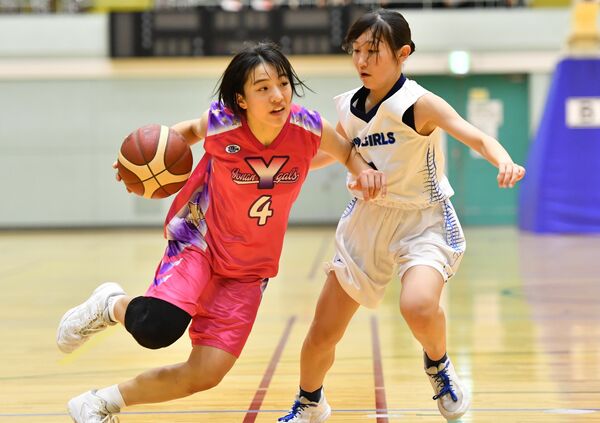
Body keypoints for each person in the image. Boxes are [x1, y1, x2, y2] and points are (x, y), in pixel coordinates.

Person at [56, 42, 386, 423]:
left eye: (283, 84)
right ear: (241, 100)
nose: (278, 96)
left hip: (249, 269)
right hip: (201, 241)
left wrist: (365, 172)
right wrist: (139, 165)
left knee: (205, 373)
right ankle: (110, 304)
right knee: (157, 327)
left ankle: (98, 403)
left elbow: (346, 152)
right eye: (263, 88)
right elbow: (185, 134)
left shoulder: (308, 127)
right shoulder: (221, 123)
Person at [279, 9, 525, 423]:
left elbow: (477, 136)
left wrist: (504, 160)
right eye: (356, 50)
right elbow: (337, 152)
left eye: (372, 51)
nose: (361, 60)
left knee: (418, 305)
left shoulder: (419, 103)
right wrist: (287, 169)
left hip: (422, 218)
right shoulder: (350, 106)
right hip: (368, 220)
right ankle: (309, 403)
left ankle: (439, 364)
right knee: (323, 331)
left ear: (402, 53)